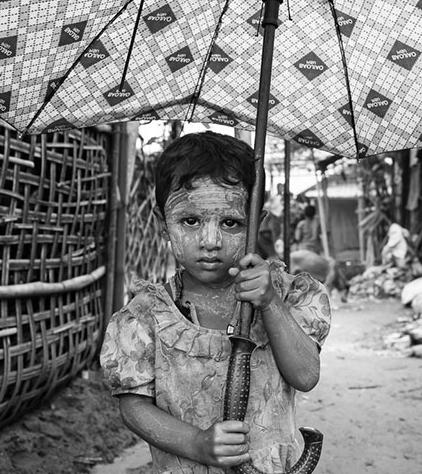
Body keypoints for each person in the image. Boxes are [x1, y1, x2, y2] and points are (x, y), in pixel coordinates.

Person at [100, 131, 332, 473]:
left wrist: (270, 304)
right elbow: (133, 407)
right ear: (163, 223)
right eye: (190, 221)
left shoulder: (288, 294)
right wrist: (196, 443)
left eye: (231, 222)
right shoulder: (144, 316)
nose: (210, 241)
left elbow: (305, 375)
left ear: (257, 223)